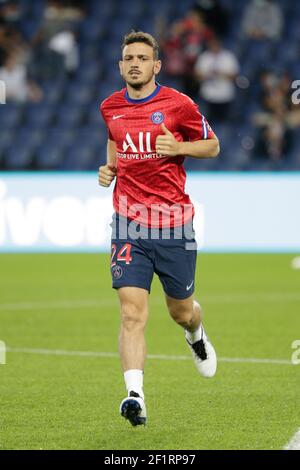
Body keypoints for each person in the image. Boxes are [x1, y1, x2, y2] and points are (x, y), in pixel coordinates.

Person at [98, 31, 219, 427]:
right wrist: (110, 167)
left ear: (156, 66)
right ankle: (135, 395)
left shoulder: (178, 104)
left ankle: (196, 335)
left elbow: (213, 145)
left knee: (180, 312)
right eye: (128, 57)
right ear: (121, 65)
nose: (134, 63)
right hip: (128, 223)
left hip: (173, 226)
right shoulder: (110, 107)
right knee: (131, 313)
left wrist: (180, 148)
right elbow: (115, 140)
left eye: (142, 57)